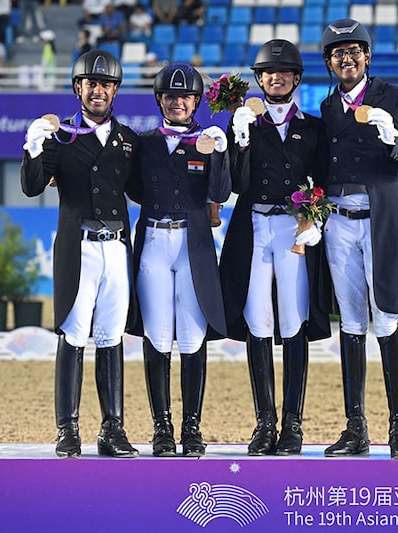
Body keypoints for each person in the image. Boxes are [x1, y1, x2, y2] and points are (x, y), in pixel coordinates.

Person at [20, 49, 142, 459]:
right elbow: (33, 185)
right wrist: (34, 146)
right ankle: (67, 430)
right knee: (73, 336)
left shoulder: (128, 140)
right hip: (80, 248)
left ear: (115, 91)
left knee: (111, 339)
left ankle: (112, 429)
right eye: (91, 84)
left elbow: (145, 190)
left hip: (117, 249)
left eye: (106, 85)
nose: (99, 91)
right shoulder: (62, 136)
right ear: (78, 88)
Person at [319, 19, 398, 459]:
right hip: (339, 221)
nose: (347, 58)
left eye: (354, 51)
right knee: (350, 320)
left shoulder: (396, 98)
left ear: (367, 56)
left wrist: (392, 136)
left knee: (386, 319)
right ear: (330, 62)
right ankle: (355, 426)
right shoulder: (327, 109)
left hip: (379, 218)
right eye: (338, 53)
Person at [220, 39, 332, 456]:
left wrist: (314, 219)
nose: (276, 77)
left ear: (296, 79)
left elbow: (321, 181)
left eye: (284, 72)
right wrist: (242, 139)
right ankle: (264, 421)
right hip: (254, 227)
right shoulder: (244, 122)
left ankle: (294, 424)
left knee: (293, 319)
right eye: (268, 72)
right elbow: (235, 184)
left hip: (293, 229)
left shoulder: (313, 127)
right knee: (257, 319)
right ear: (259, 79)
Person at [131, 62, 230, 457]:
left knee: (191, 337)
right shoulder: (144, 143)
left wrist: (221, 154)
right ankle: (161, 427)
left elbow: (220, 192)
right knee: (157, 335)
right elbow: (134, 189)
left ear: (196, 102)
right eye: (170, 96)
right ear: (160, 100)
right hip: (155, 240)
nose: (178, 102)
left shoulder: (205, 142)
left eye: (185, 96)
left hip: (193, 245)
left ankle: (191, 427)